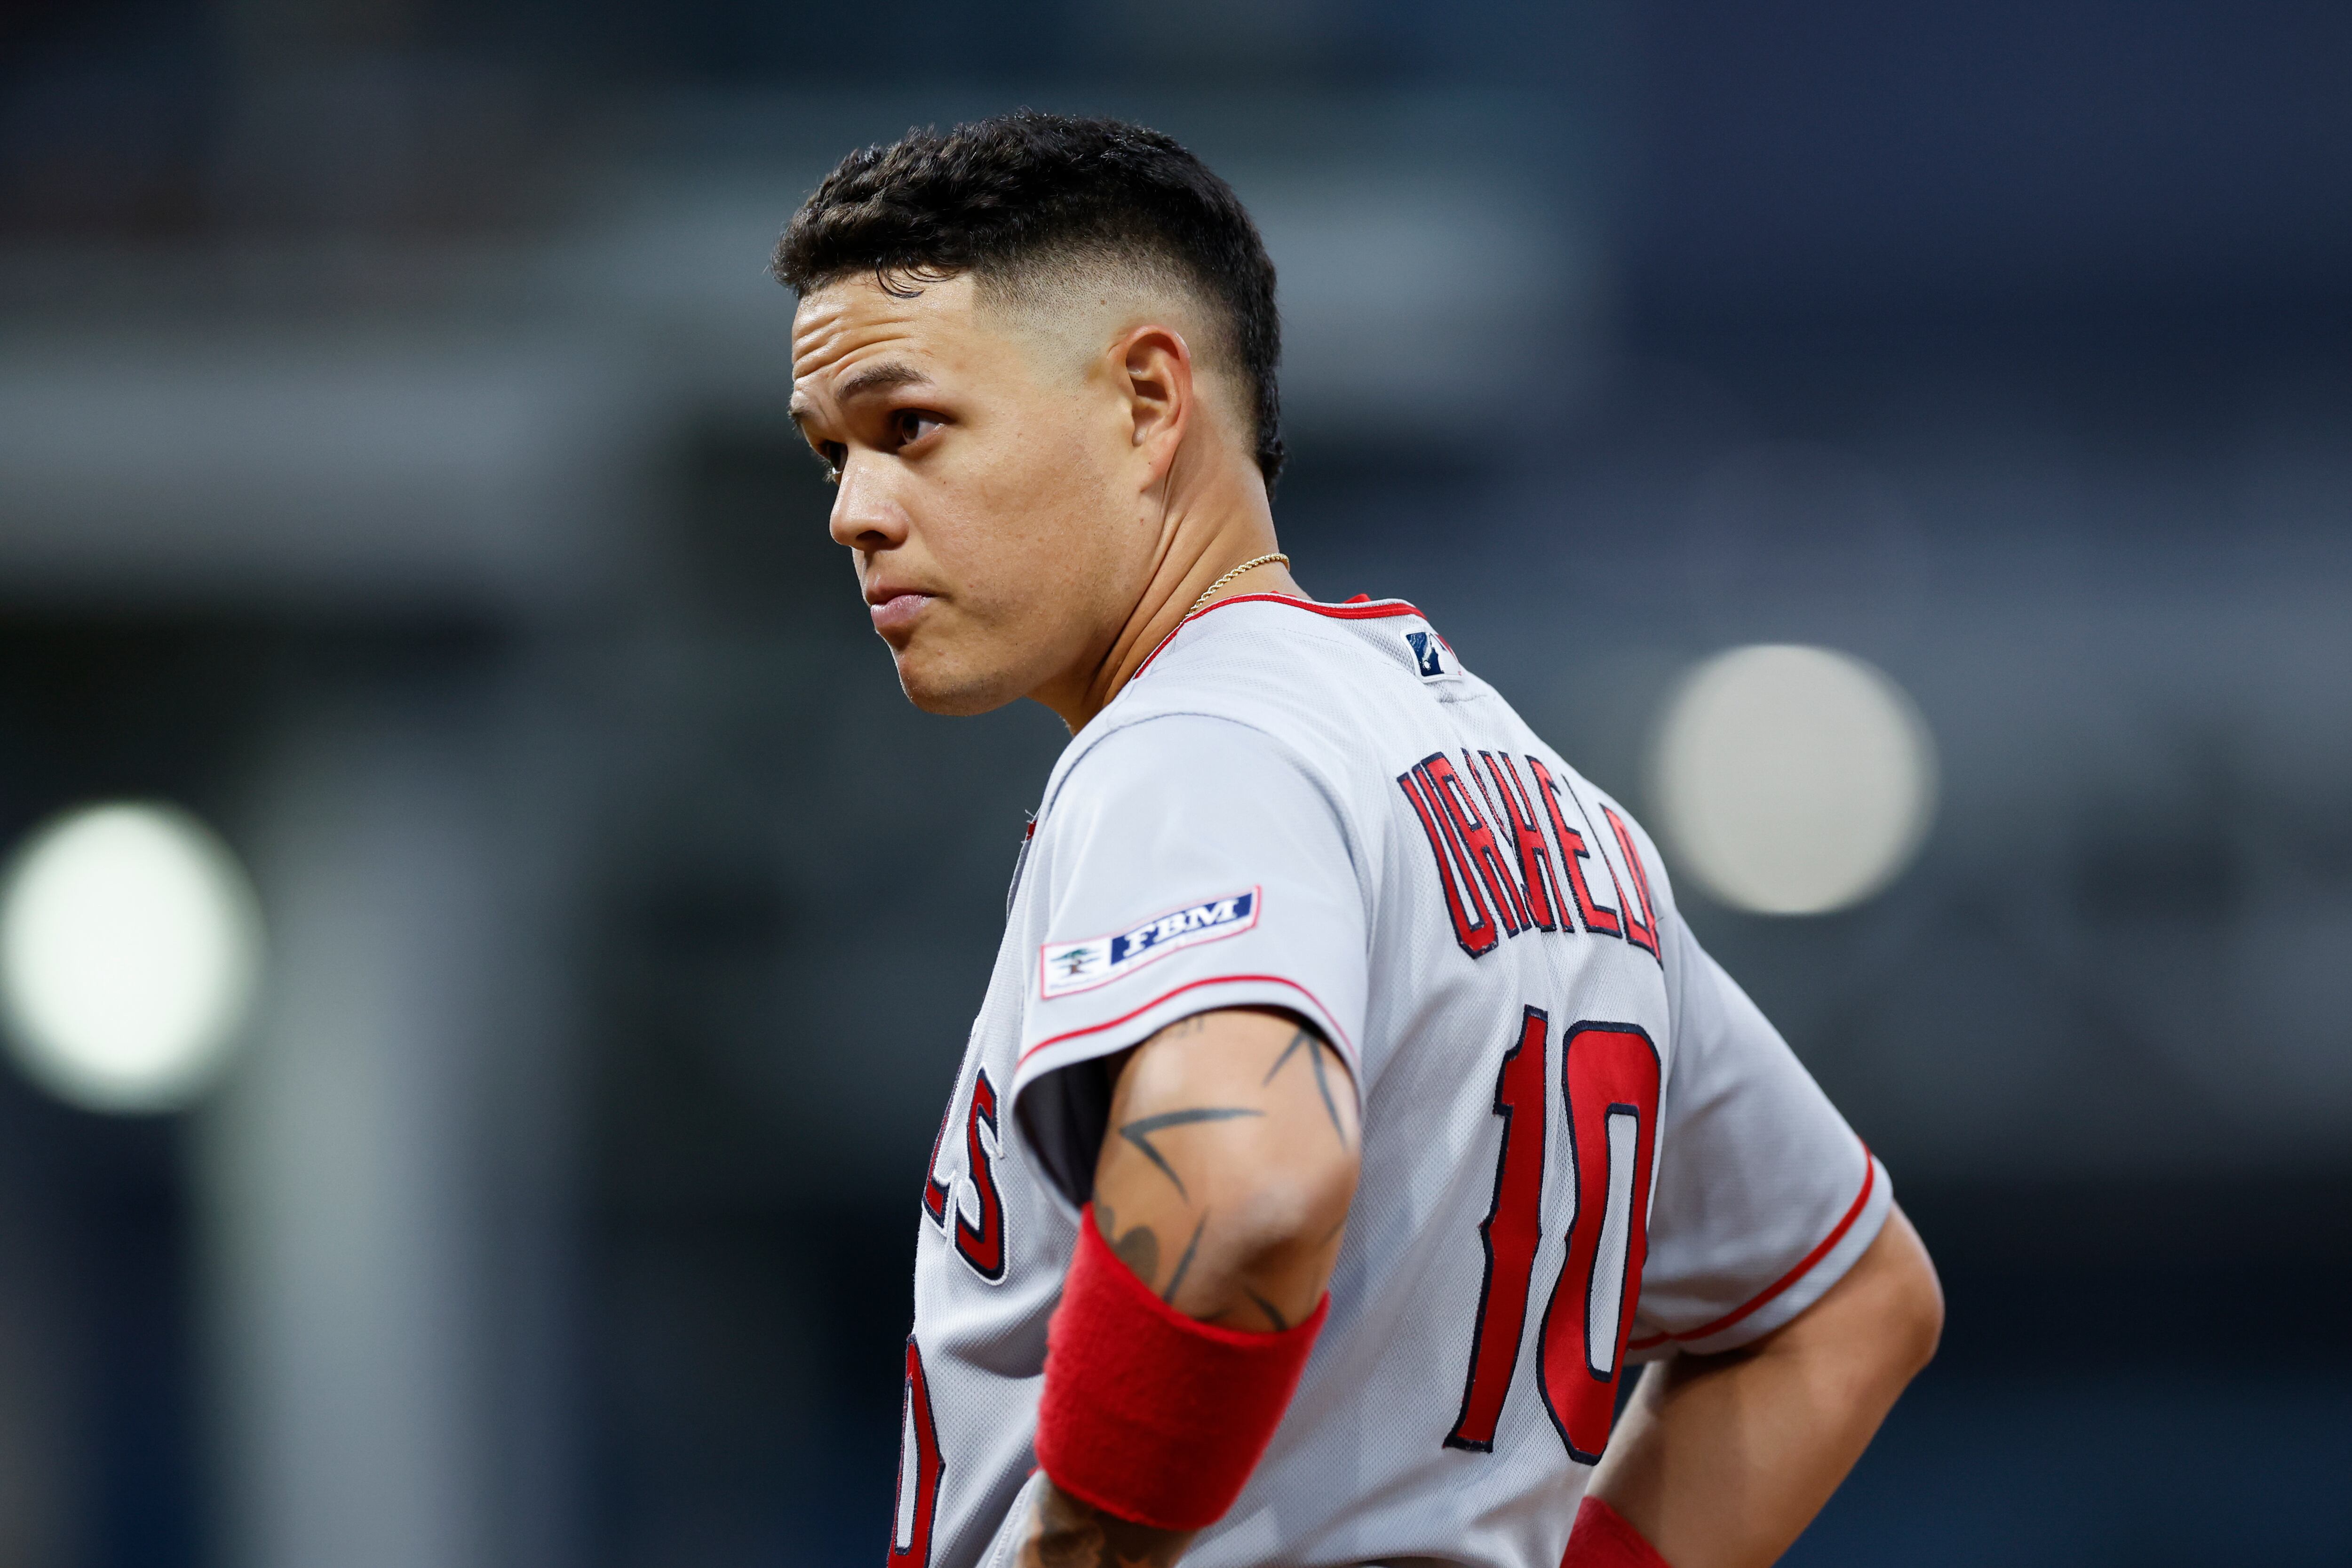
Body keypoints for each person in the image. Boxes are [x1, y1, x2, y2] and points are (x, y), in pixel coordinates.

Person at [773, 111, 1943, 1568]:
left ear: (1148, 400)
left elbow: (1247, 1185)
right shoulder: (1548, 805)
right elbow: (1849, 1303)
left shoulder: (1195, 741)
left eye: (910, 427)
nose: (854, 513)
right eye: (832, 455)